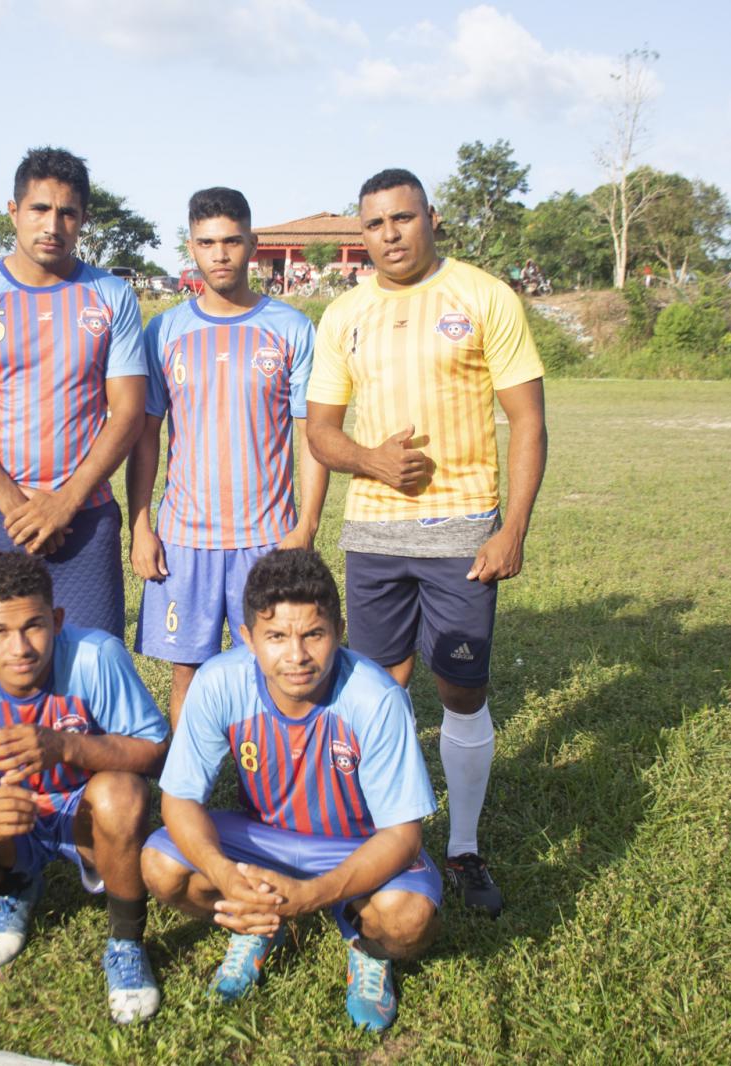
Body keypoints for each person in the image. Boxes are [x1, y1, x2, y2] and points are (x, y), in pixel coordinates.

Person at [304, 168, 547, 918]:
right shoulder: (342, 314)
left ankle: (465, 847)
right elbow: (319, 432)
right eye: (375, 225)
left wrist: (512, 529)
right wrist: (371, 459)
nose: (390, 235)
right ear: (361, 233)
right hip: (374, 534)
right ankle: (381, 837)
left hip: (463, 529)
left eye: (403, 219)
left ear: (431, 219)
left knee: (460, 689)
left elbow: (529, 423)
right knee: (377, 693)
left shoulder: (483, 297)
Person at [142, 549, 440, 1032]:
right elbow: (178, 799)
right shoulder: (219, 681)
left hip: (356, 847)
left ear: (338, 632)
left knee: (408, 920)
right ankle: (260, 927)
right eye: (276, 636)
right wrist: (223, 871)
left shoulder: (376, 697)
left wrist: (312, 895)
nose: (297, 656)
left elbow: (404, 835)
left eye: (313, 634)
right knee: (162, 865)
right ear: (248, 639)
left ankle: (366, 948)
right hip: (262, 838)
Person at [0, 550, 169, 1024]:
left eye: (33, 626)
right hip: (11, 809)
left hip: (83, 809)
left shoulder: (96, 655)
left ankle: (127, 942)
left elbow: (155, 751)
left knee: (122, 795)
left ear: (58, 620)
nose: (20, 647)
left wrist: (68, 747)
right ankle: (16, 886)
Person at [128, 187, 328, 725]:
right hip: (183, 539)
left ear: (253, 245)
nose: (220, 254)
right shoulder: (164, 331)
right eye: (207, 242)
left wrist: (305, 524)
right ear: (191, 248)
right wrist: (141, 526)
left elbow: (314, 435)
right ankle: (186, 793)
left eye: (232, 241)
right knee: (186, 672)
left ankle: (265, 796)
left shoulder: (290, 329)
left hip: (266, 538)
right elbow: (146, 436)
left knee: (270, 671)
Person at [0, 147, 146, 648]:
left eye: (67, 212)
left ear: (82, 220)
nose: (53, 224)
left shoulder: (111, 296)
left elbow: (129, 411)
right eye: (39, 209)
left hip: (85, 516)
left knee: (91, 671)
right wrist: (16, 505)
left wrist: (65, 503)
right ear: (14, 212)